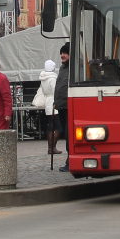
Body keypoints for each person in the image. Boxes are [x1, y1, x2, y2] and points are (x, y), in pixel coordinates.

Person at [38, 59, 59, 156]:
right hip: (53, 102)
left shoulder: (43, 78)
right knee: (57, 127)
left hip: (47, 102)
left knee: (51, 126)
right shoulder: (52, 78)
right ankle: (53, 147)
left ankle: (50, 147)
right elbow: (56, 91)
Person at [54, 43, 70, 172]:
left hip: (69, 106)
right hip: (61, 106)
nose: (62, 55)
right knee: (66, 133)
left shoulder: (75, 68)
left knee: (70, 134)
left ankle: (70, 160)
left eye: (65, 53)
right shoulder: (62, 68)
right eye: (61, 53)